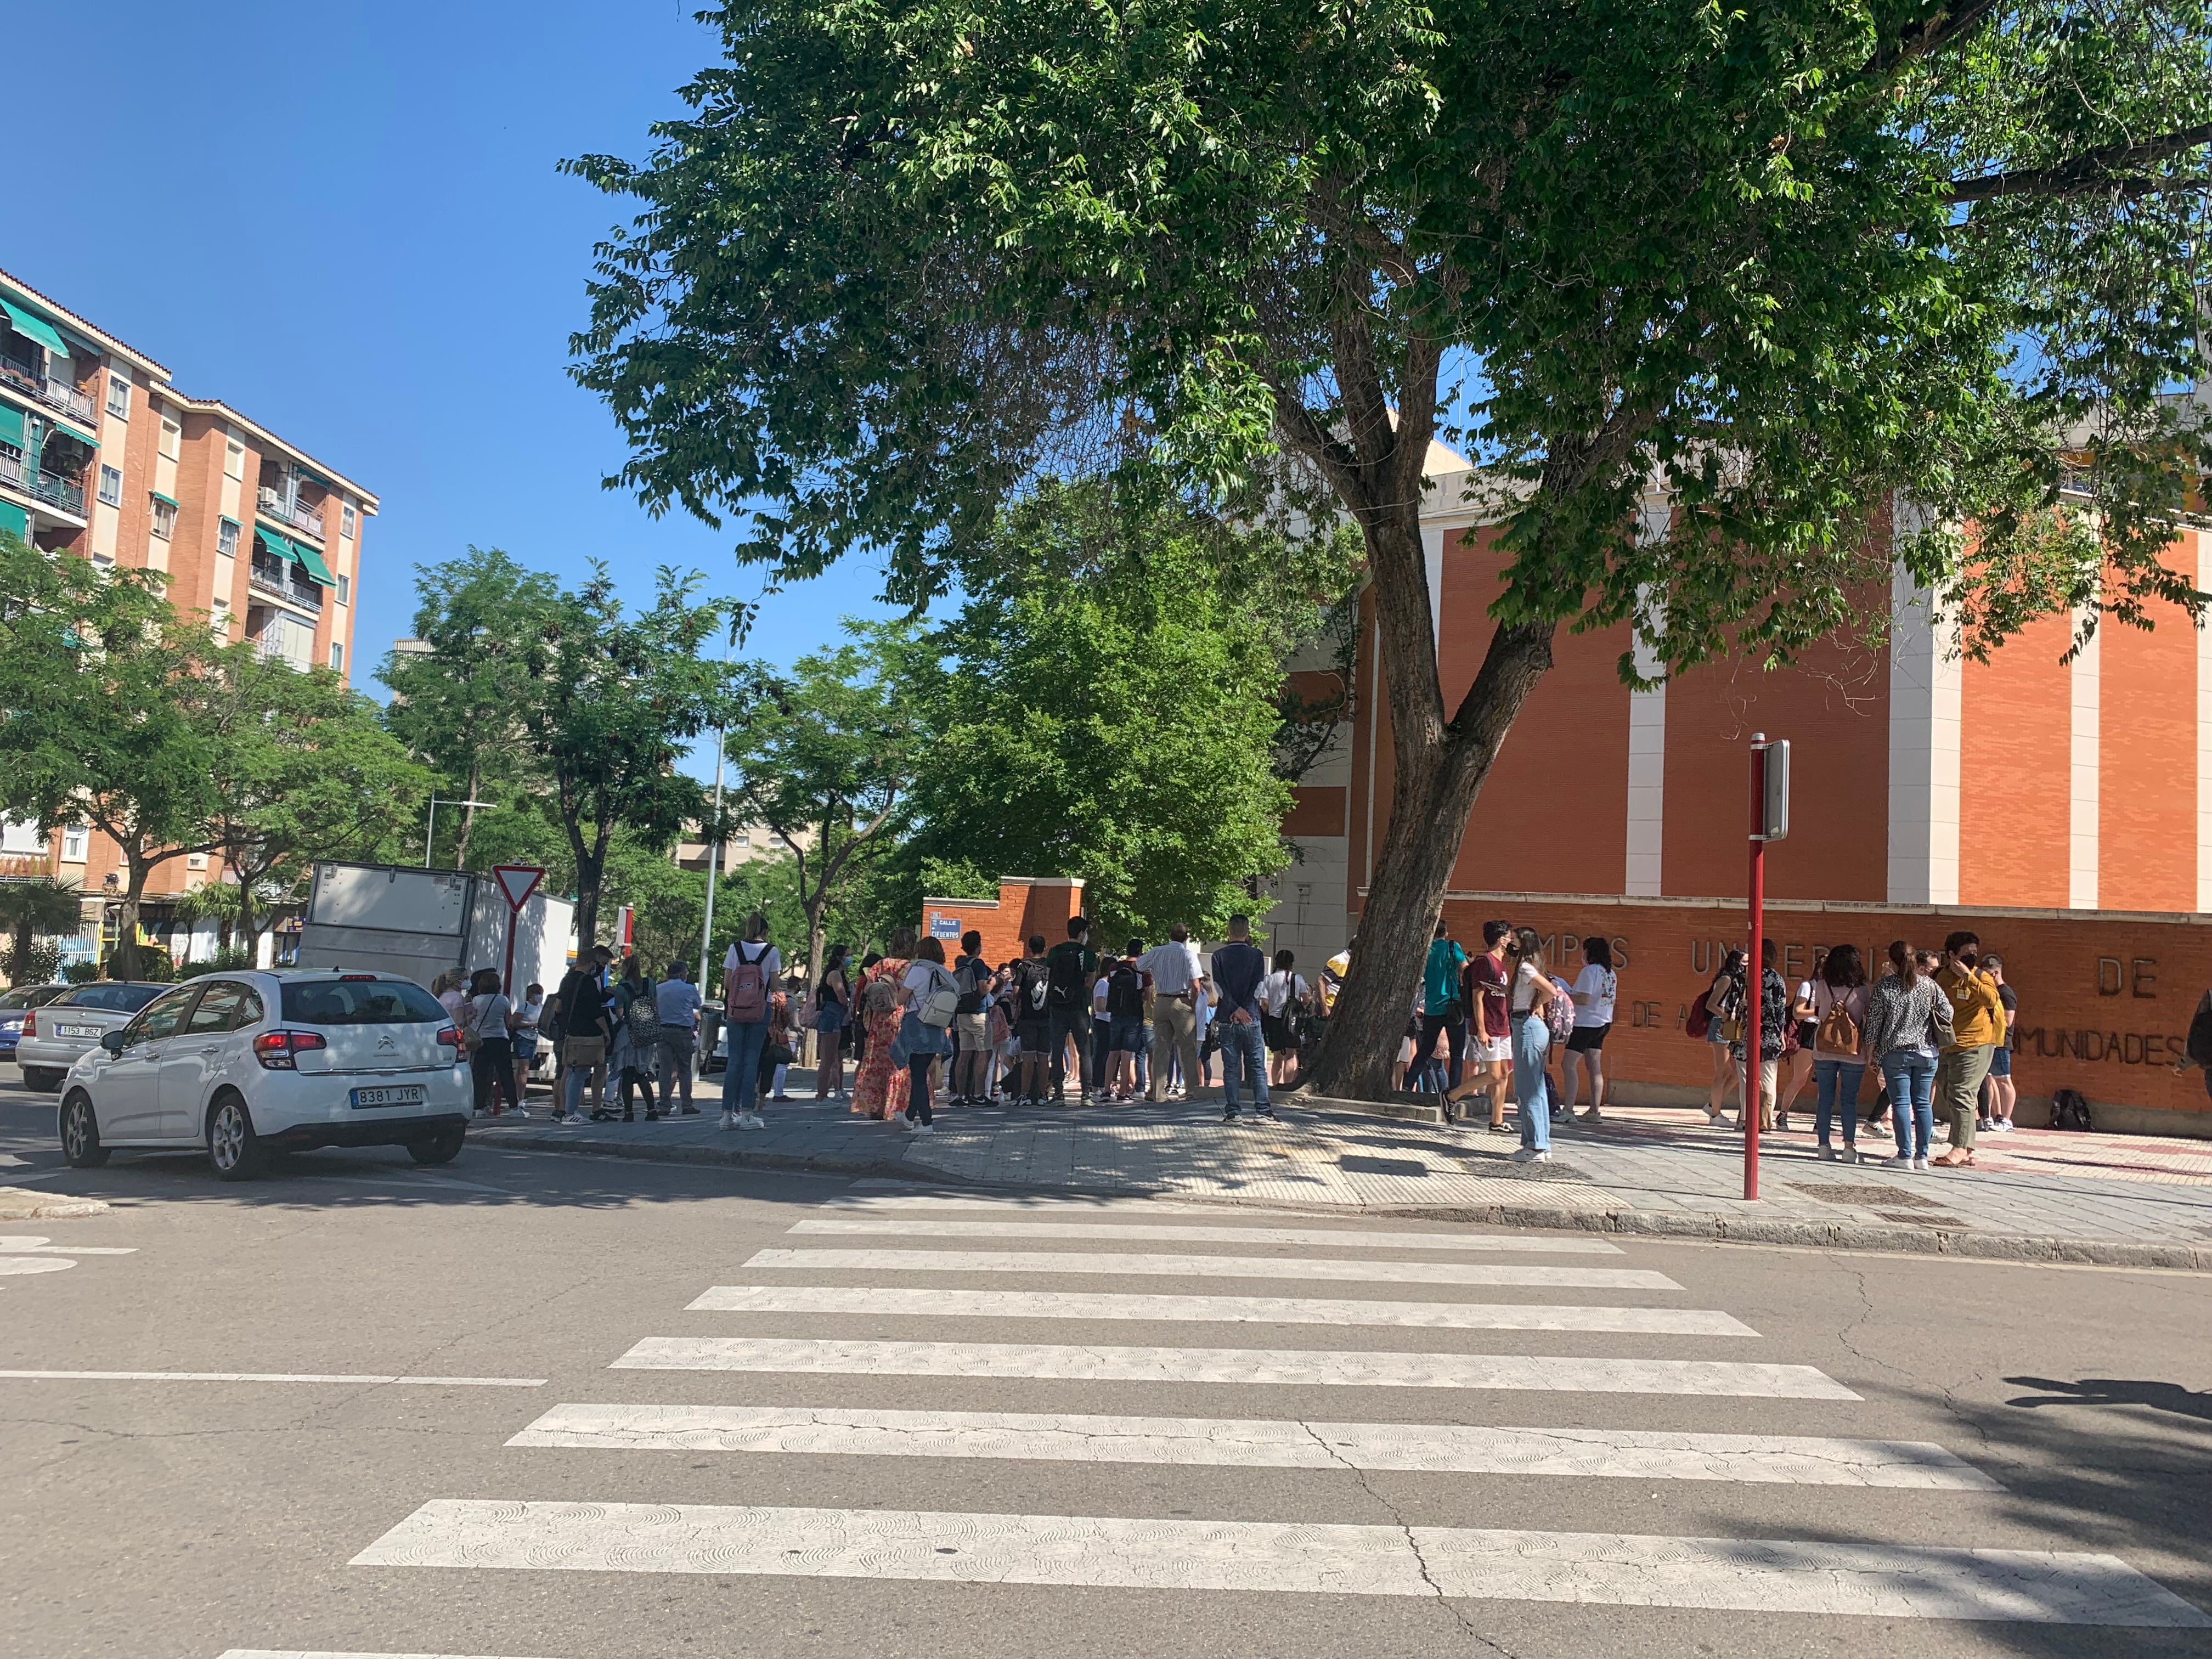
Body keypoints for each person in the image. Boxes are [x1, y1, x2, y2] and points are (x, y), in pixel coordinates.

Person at [1865, 938, 1953, 1171]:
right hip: (1927, 1052)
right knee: (1923, 1104)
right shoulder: (1929, 986)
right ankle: (1922, 1156)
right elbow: (1948, 1012)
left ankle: (1904, 1154)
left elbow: (1873, 1024)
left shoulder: (1885, 987)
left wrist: (1871, 1052)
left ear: (1893, 962)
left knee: (1901, 1103)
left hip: (1896, 1051)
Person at [1933, 930, 2005, 1169]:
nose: (1973, 957)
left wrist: (1968, 977)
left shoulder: (1982, 976)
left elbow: (1991, 1000)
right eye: (1967, 954)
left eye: (1975, 953)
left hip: (1977, 1043)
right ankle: (1967, 1147)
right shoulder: (1940, 976)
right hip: (1947, 1045)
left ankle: (1959, 1148)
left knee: (1962, 1093)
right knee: (1949, 1091)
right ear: (1951, 955)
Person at [1445, 921, 1515, 1131]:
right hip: (1489, 1026)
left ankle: (1497, 1120)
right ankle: (1451, 1096)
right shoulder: (1486, 962)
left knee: (1503, 1074)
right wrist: (1482, 1029)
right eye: (1509, 937)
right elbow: (1478, 997)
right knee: (1493, 1074)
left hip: (1503, 1026)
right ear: (1501, 940)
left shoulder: (1502, 964)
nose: (1511, 941)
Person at [1504, 927, 1565, 1163]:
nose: (1511, 942)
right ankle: (1541, 1143)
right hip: (1529, 1025)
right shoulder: (1531, 968)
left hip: (1526, 1024)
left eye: (1515, 939)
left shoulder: (1525, 967)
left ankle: (1535, 1146)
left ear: (1523, 943)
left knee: (1527, 1087)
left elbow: (1552, 990)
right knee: (1536, 1089)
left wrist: (1534, 1004)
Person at [1808, 944, 1871, 1162]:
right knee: (1849, 1101)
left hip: (1824, 1047)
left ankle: (1824, 1146)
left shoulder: (1823, 986)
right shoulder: (1862, 990)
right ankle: (1849, 1147)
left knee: (1824, 1098)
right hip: (1853, 1050)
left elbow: (1818, 1011)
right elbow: (1866, 1019)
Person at [1210, 913, 1276, 1122]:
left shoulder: (1218, 956)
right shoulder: (1257, 955)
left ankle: (1234, 1112)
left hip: (1227, 1017)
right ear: (1248, 933)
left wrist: (1235, 1009)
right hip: (1252, 1018)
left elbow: (1219, 988)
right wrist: (1246, 1009)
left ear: (1228, 932)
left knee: (1231, 1067)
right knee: (1257, 1065)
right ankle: (1263, 1111)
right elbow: (1259, 986)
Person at [720, 914, 780, 1130]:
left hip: (735, 1009)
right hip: (759, 1010)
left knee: (734, 1060)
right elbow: (774, 986)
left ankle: (727, 1115)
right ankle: (747, 1113)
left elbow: (728, 982)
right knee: (751, 1061)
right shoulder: (771, 951)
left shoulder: (734, 948)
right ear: (765, 932)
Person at [851, 928, 916, 1120]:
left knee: (877, 1062)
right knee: (900, 1063)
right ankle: (896, 1106)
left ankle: (875, 1107)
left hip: (879, 1022)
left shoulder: (880, 964)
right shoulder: (909, 967)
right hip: (900, 1019)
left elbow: (867, 989)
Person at [896, 935, 958, 1132]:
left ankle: (926, 1122)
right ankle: (908, 1116)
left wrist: (897, 989)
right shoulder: (943, 972)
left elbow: (901, 999)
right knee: (922, 1071)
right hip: (937, 1025)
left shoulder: (917, 970)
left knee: (917, 1074)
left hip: (917, 1023)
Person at [1139, 926, 1204, 1102]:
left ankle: (1159, 1093)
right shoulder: (1189, 955)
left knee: (1161, 1048)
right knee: (1187, 1048)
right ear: (1187, 938)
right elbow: (1196, 985)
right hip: (1181, 1000)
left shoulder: (1157, 952)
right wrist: (1191, 1005)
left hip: (1160, 999)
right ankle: (1192, 1090)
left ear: (1170, 935)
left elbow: (1138, 965)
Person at [555, 945, 615, 1124]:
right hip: (587, 1034)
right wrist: (606, 1032)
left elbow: (558, 1007)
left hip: (571, 1032)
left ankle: (565, 1110)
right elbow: (595, 1011)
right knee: (580, 1072)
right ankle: (570, 1112)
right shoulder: (587, 982)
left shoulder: (567, 980)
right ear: (591, 963)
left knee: (571, 1071)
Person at [1735, 939, 1789, 1133]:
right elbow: (1780, 1009)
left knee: (1745, 1078)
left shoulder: (1745, 975)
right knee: (1768, 1078)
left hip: (1746, 1031)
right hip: (1769, 1033)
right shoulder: (1777, 979)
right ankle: (1764, 1120)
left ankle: (1744, 1119)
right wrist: (1781, 1032)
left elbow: (1736, 1003)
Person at [1045, 915, 1097, 1103]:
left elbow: (1048, 977)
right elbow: (1091, 980)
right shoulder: (1088, 954)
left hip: (1057, 1006)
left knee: (1057, 1049)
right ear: (1082, 934)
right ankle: (1086, 1094)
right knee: (1084, 1050)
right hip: (1079, 1007)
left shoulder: (1055, 952)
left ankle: (1058, 1093)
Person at [1564, 936, 1616, 1121]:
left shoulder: (1589, 972)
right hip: (1603, 1022)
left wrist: (1563, 992)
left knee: (1568, 1064)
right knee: (1594, 1066)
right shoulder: (1610, 973)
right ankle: (1594, 1111)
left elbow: (1583, 999)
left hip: (1585, 1023)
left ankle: (1568, 1110)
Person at [1419, 921, 1470, 1094]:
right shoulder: (1452, 946)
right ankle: (1454, 1093)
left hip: (1432, 1007)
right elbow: (1465, 969)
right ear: (1446, 933)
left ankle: (1408, 1084)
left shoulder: (1426, 949)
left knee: (1425, 1050)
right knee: (1456, 1054)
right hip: (1452, 1005)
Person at [461, 968, 518, 1118]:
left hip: (482, 1040)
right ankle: (514, 1107)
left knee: (480, 1074)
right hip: (500, 1039)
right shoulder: (503, 1001)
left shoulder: (476, 1000)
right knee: (505, 1074)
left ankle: (480, 1107)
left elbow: (471, 1018)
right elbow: (509, 1022)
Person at [611, 956, 662, 1121]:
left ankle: (629, 1113)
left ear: (625, 969)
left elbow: (620, 1014)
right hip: (647, 1034)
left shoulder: (622, 987)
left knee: (627, 1074)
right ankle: (652, 1110)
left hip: (629, 1034)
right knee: (642, 1074)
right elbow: (655, 1006)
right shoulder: (650, 983)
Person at [1701, 949, 1746, 1126]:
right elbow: (1711, 1004)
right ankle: (1715, 1115)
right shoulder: (1726, 979)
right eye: (1744, 963)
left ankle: (1713, 1104)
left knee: (1735, 1071)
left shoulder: (1737, 982)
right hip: (1721, 1025)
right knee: (1722, 1072)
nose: (1747, 967)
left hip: (1730, 1027)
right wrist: (1727, 1016)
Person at [1104, 941, 1151, 1103]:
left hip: (1116, 1014)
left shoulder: (1114, 968)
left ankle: (1105, 1090)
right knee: (1126, 1054)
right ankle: (1123, 1092)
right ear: (1140, 951)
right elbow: (1148, 994)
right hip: (1134, 1015)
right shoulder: (1142, 971)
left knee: (1112, 1053)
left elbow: (1111, 986)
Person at [654, 959, 703, 1116]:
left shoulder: (658, 988)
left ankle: (664, 1104)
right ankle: (687, 1104)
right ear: (683, 974)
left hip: (663, 1030)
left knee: (665, 1069)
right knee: (684, 1069)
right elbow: (698, 1004)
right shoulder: (689, 989)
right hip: (683, 1031)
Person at [1010, 934, 1054, 1104]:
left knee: (1027, 1057)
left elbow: (1015, 994)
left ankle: (1024, 1094)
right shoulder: (1050, 967)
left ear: (1029, 948)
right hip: (1046, 1017)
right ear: (1045, 948)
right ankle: (1043, 1095)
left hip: (1027, 1018)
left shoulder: (1023, 966)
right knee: (1044, 1057)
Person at [951, 931, 994, 1105]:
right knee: (984, 1052)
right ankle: (978, 1094)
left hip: (962, 1013)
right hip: (978, 1012)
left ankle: (960, 1095)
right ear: (978, 946)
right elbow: (983, 989)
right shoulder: (978, 964)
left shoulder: (961, 963)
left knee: (964, 1054)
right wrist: (995, 981)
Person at [1260, 949, 1310, 1088]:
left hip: (1275, 1020)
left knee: (1277, 1056)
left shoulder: (1269, 979)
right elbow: (1305, 999)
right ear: (1291, 963)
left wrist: (1268, 1013)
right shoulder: (1297, 978)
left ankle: (1275, 1086)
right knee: (1290, 1056)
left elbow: (1264, 1002)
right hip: (1292, 1020)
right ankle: (1287, 1086)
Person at [1980, 953, 2017, 1133]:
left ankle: (2008, 1120)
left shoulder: (2006, 993)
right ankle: (1996, 1116)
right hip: (1988, 1041)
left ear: (1995, 973)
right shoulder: (1989, 992)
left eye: (1987, 974)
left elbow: (2008, 1021)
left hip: (2002, 1042)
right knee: (1989, 1079)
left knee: (2004, 1080)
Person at [814, 944, 852, 1100]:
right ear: (840, 957)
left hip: (832, 1017)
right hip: (832, 1016)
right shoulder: (835, 974)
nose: (850, 958)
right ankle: (822, 1096)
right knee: (828, 1060)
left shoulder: (834, 973)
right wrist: (848, 1003)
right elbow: (841, 996)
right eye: (848, 955)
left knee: (829, 1060)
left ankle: (823, 1095)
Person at [510, 982, 544, 1109]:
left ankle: (517, 1094)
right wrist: (530, 1025)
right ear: (531, 995)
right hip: (522, 1038)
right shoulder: (524, 1006)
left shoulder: (541, 1007)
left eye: (541, 993)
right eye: (537, 993)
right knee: (524, 1069)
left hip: (533, 1038)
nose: (540, 996)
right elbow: (514, 1023)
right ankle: (521, 1099)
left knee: (522, 1069)